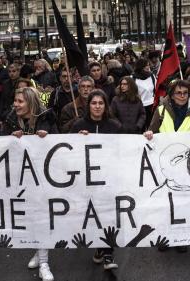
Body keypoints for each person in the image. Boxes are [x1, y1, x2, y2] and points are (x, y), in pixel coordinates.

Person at [1, 87, 56, 281]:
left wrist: (46, 138)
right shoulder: (9, 119)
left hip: (43, 177)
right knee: (31, 217)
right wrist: (10, 140)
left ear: (30, 103)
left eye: (20, 101)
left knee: (41, 217)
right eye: (15, 101)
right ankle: (39, 252)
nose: (15, 105)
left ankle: (44, 263)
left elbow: (59, 144)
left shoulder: (47, 118)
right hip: (19, 177)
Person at [69, 90, 121, 270]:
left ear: (105, 106)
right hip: (86, 181)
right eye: (94, 103)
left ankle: (108, 253)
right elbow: (68, 153)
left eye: (101, 103)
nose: (97, 106)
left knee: (107, 215)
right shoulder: (78, 126)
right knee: (92, 216)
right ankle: (99, 248)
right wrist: (77, 140)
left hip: (108, 181)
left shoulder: (115, 126)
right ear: (88, 105)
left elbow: (124, 150)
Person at [132, 58, 156, 130]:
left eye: (148, 65)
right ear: (141, 66)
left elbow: (156, 89)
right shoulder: (133, 78)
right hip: (139, 107)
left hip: (151, 106)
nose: (148, 67)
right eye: (146, 65)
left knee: (151, 128)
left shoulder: (152, 76)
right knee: (140, 128)